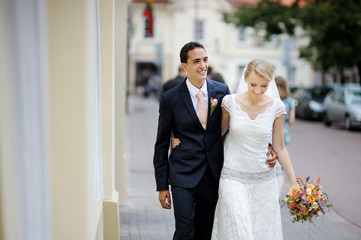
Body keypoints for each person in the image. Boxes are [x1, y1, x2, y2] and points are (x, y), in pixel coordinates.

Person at [153, 42, 277, 240]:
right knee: (185, 231)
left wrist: (268, 146)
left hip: (212, 174)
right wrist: (161, 186)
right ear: (185, 66)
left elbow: (240, 125)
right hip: (182, 174)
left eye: (205, 60)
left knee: (204, 232)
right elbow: (160, 145)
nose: (203, 65)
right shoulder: (171, 98)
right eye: (196, 61)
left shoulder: (221, 91)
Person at [211, 59, 297, 239]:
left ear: (271, 82)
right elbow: (214, 135)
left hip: (263, 181)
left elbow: (280, 147)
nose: (258, 90)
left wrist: (294, 183)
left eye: (264, 86)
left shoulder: (277, 108)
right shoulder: (229, 103)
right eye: (253, 84)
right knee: (239, 232)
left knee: (260, 234)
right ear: (245, 78)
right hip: (233, 177)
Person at [275, 76, 296, 196]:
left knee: (273, 168)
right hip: (284, 134)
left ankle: (275, 195)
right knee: (281, 168)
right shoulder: (290, 101)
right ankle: (277, 195)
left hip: (273, 134)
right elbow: (291, 121)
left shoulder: (273, 100)